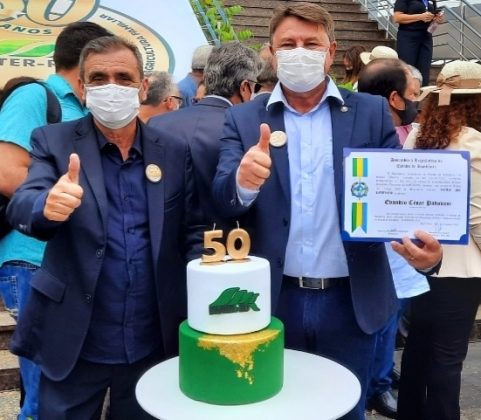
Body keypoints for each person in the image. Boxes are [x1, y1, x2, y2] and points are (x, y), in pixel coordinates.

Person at [212, 3, 442, 419]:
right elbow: (222, 200)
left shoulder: (370, 112)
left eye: (311, 43)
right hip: (274, 299)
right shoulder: (243, 119)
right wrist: (243, 182)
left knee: (345, 410)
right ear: (271, 53)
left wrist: (426, 254)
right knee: (274, 409)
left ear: (331, 51)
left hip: (350, 301)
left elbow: (397, 196)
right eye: (288, 44)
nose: (299, 52)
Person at [7, 35, 203, 419]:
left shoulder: (173, 150)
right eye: (98, 78)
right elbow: (23, 202)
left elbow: (192, 228)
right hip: (75, 340)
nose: (111, 87)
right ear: (82, 88)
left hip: (151, 340)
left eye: (123, 77)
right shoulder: (54, 141)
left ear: (143, 87)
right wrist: (47, 205)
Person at [0, 21, 112, 420]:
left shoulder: (90, 107)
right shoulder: (35, 97)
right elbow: (8, 173)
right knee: (43, 395)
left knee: (68, 389)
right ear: (86, 60)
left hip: (73, 264)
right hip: (33, 259)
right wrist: (70, 202)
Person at [398, 60, 481, 420]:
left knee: (419, 349)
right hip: (461, 268)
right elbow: (477, 217)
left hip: (418, 261)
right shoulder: (473, 142)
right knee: (448, 358)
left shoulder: (417, 136)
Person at [358, 57, 430, 419]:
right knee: (375, 323)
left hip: (401, 250)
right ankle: (373, 386)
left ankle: (381, 379)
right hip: (369, 251)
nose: (417, 102)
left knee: (389, 322)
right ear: (394, 98)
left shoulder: (407, 131)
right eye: (414, 94)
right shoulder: (358, 133)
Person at [149, 41, 261, 232]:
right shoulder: (246, 131)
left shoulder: (157, 124)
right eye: (255, 88)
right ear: (244, 88)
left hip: (167, 239)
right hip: (229, 241)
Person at [393, 0, 444, 86]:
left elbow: (430, 21)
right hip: (408, 36)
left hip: (426, 37)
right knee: (407, 69)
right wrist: (420, 17)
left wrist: (436, 20)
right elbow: (397, 18)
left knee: (424, 71)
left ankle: (422, 93)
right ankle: (406, 92)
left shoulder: (430, 1)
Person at [396, 64, 423, 144]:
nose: (413, 99)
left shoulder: (415, 129)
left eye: (416, 94)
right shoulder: (382, 129)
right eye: (409, 93)